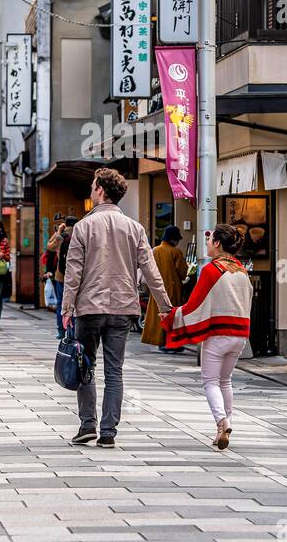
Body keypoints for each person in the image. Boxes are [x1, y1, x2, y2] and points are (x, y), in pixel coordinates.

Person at [61, 168, 172, 448]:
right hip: (123, 307)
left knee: (86, 365)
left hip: (89, 306)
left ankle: (87, 424)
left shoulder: (84, 227)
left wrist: (66, 308)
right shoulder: (135, 228)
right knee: (115, 371)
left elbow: (73, 271)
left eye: (93, 185)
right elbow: (150, 270)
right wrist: (164, 305)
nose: (91, 189)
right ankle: (108, 431)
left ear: (100, 190)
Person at [164, 224, 253, 450]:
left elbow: (195, 305)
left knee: (211, 381)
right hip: (240, 334)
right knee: (226, 380)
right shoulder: (241, 270)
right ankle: (225, 426)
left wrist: (172, 316)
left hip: (217, 334)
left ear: (217, 243)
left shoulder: (212, 270)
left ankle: (222, 421)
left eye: (209, 239)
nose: (207, 243)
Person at [142, 225, 188, 350]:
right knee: (172, 315)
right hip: (173, 288)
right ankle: (171, 343)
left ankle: (159, 341)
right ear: (173, 239)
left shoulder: (155, 250)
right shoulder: (175, 252)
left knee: (158, 315)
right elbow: (183, 272)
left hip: (156, 288)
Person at [45, 217, 77, 338]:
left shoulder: (61, 236)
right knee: (75, 305)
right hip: (77, 276)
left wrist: (58, 231)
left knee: (61, 303)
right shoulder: (81, 234)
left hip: (61, 275)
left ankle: (61, 331)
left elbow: (49, 246)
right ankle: (74, 331)